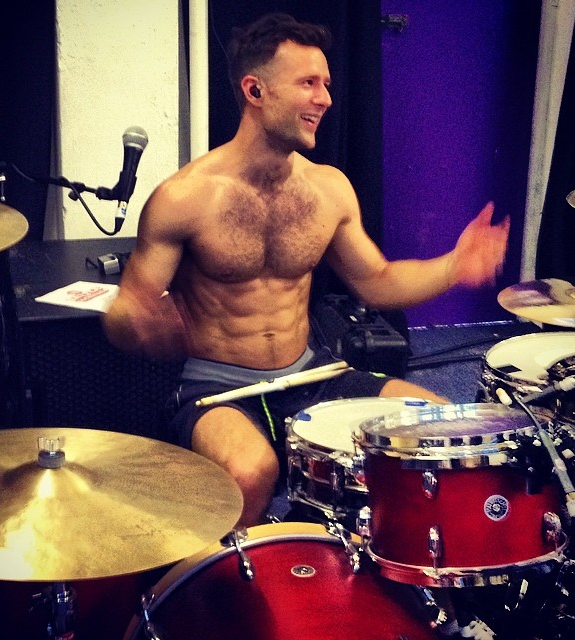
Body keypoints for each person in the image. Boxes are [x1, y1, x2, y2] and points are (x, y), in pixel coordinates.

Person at [103, 12, 510, 527]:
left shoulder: (328, 188)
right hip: (218, 390)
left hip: (315, 374)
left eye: (327, 84)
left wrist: (454, 266)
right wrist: (136, 320)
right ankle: (227, 573)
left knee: (440, 427)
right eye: (309, 83)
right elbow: (127, 309)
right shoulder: (184, 198)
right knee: (251, 471)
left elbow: (377, 282)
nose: (326, 99)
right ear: (255, 90)